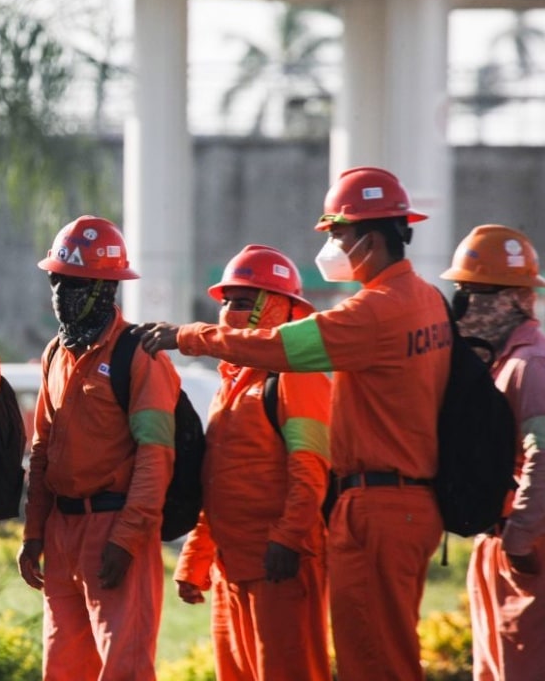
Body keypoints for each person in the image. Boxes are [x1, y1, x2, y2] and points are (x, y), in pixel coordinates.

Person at [139, 166, 450, 681]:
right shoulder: (428, 304)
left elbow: (287, 348)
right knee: (375, 655)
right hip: (396, 503)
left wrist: (187, 336)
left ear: (369, 240)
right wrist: (200, 554)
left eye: (338, 235)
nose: (331, 246)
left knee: (374, 660)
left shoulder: (372, 313)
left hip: (376, 506)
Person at [16, 215, 181, 681]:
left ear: (105, 287)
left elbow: (155, 456)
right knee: (63, 671)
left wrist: (126, 539)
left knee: (122, 669)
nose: (60, 292)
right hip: (61, 532)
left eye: (74, 283)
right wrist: (33, 534)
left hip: (114, 529)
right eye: (57, 280)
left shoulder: (139, 355)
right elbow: (42, 452)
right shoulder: (54, 354)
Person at [172, 244, 332, 681]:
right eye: (226, 303)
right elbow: (219, 482)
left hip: (281, 566)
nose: (230, 314)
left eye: (244, 304)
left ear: (280, 308)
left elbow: (311, 468)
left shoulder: (297, 378)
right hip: (231, 569)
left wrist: (287, 539)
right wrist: (196, 559)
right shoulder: (230, 387)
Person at [441, 225, 545, 681]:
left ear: (513, 298)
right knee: (494, 668)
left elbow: (543, 458)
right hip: (499, 545)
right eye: (461, 291)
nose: (463, 304)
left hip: (528, 550)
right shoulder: (501, 362)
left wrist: (520, 538)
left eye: (474, 292)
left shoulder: (530, 364)